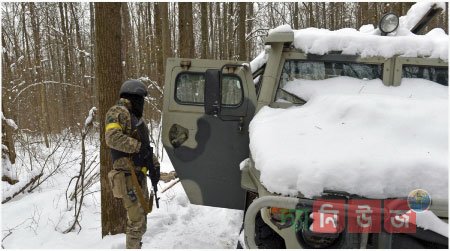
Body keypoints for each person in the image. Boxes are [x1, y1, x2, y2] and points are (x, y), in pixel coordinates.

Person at [105, 79, 160, 249]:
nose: (142, 103)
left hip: (138, 175)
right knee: (136, 223)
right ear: (133, 97)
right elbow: (112, 138)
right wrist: (138, 148)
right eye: (141, 99)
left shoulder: (134, 117)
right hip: (128, 176)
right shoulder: (117, 111)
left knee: (141, 222)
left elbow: (145, 148)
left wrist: (155, 166)